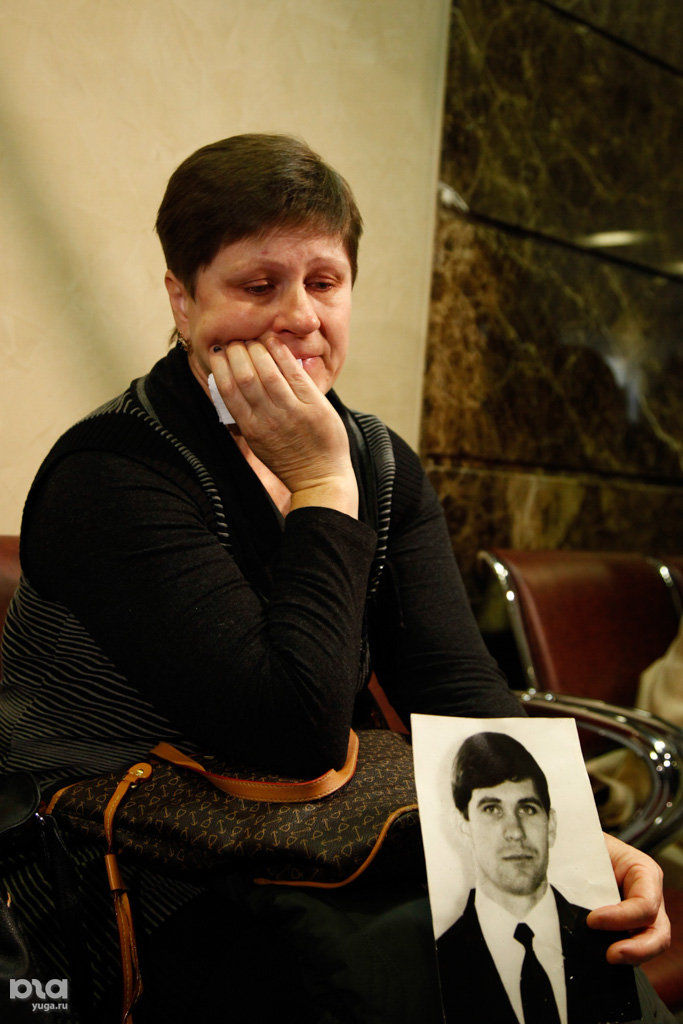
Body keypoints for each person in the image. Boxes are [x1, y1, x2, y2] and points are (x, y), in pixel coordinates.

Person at [0, 134, 672, 1023]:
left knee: (575, 955)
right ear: (182, 300)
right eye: (257, 285)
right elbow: (290, 730)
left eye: (324, 282)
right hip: (130, 877)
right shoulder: (112, 473)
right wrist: (320, 484)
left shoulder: (378, 462)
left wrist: (581, 848)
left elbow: (456, 693)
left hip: (311, 848)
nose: (299, 317)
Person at [436, 733, 651, 1024]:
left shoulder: (602, 935)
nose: (515, 832)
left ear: (550, 825)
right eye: (492, 809)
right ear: (463, 826)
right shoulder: (442, 958)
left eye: (527, 808)